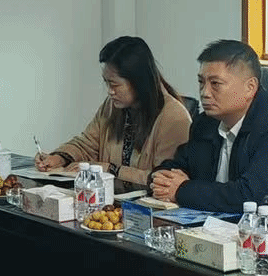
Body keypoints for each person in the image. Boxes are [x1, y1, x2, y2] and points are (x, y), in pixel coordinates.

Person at [148, 39, 268, 213]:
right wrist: (161, 179)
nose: (204, 93)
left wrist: (182, 190)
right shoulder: (206, 123)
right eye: (201, 82)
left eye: (215, 84)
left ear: (250, 87)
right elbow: (176, 166)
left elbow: (249, 196)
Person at [35, 36, 193, 192]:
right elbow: (87, 143)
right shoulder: (112, 106)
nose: (110, 91)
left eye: (115, 85)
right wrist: (59, 158)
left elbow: (162, 179)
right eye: (106, 83)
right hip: (109, 199)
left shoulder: (174, 117)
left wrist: (111, 170)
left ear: (138, 82)